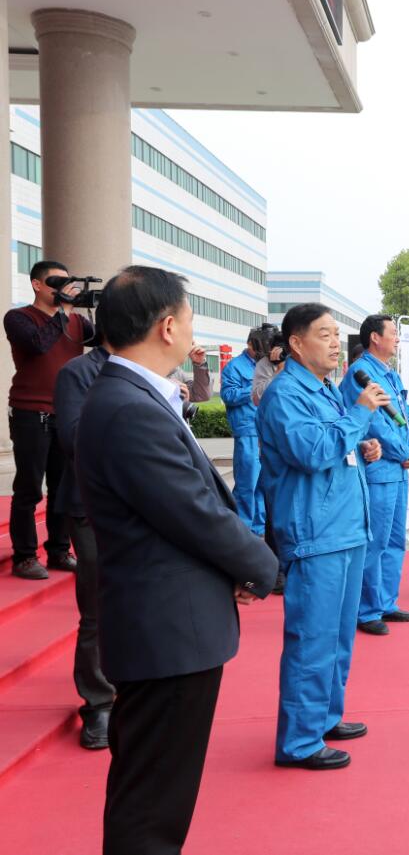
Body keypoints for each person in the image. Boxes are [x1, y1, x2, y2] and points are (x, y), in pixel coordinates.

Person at [76, 266, 277, 853]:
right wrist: (261, 566)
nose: (192, 330)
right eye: (189, 319)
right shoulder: (128, 406)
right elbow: (193, 512)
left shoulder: (133, 395)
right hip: (166, 634)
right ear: (166, 327)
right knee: (152, 808)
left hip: (170, 623)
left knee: (154, 795)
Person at [258, 303, 388, 771]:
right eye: (325, 334)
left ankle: (324, 717)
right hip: (316, 533)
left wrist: (362, 443)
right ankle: (299, 740)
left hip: (345, 528)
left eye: (337, 334)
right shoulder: (285, 393)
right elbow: (311, 451)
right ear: (296, 343)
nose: (336, 343)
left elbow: (334, 443)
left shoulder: (327, 388)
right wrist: (358, 417)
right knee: (312, 639)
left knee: (338, 638)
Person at [4, 259, 92, 579]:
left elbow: (111, 343)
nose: (63, 288)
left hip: (67, 414)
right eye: (56, 282)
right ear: (37, 285)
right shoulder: (18, 318)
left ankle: (58, 550)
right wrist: (63, 311)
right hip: (30, 413)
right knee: (29, 488)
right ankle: (25, 556)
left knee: (62, 488)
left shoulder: (78, 322)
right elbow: (38, 345)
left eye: (66, 282)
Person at [341, 315, 409, 637]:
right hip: (379, 470)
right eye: (393, 332)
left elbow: (408, 414)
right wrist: (403, 452)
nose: (397, 338)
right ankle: (366, 610)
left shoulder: (389, 373)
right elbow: (373, 424)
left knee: (394, 541)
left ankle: (386, 602)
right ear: (375, 337)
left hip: (398, 470)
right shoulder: (359, 374)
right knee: (374, 542)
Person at [53, 340, 116, 750]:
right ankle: (98, 702)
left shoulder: (151, 370)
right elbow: (73, 437)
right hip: (91, 505)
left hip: (141, 501)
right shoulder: (78, 372)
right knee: (97, 606)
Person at [220, 329, 266, 536]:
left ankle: (260, 527)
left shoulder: (267, 365)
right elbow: (228, 395)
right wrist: (255, 389)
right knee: (247, 482)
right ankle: (242, 529)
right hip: (247, 429)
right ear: (249, 344)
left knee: (263, 483)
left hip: (266, 430)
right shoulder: (235, 366)